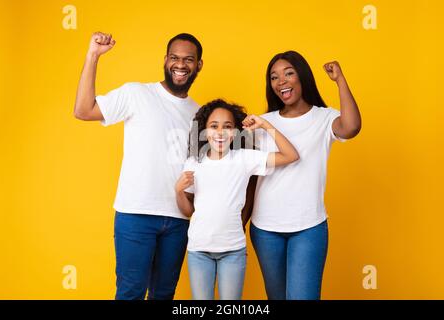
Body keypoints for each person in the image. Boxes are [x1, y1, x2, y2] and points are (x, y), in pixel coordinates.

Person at [73, 31, 203, 300]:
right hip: (136, 214)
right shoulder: (137, 93)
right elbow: (83, 110)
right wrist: (93, 56)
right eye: (175, 58)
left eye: (189, 59)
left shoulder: (200, 114)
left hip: (179, 219)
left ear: (199, 65)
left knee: (164, 294)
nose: (181, 65)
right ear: (165, 60)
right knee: (131, 292)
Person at [246, 51, 362, 300]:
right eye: (274, 77)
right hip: (265, 228)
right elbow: (246, 174)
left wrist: (340, 79)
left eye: (289, 73)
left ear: (302, 77)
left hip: (308, 227)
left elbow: (351, 127)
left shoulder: (324, 117)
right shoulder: (262, 122)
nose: (281, 82)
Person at [174, 99, 299, 299]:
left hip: (233, 251)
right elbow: (188, 211)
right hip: (198, 250)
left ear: (236, 132)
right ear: (204, 131)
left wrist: (265, 125)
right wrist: (178, 191)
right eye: (214, 126)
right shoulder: (193, 163)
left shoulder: (244, 158)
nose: (220, 132)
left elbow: (291, 155)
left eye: (228, 127)